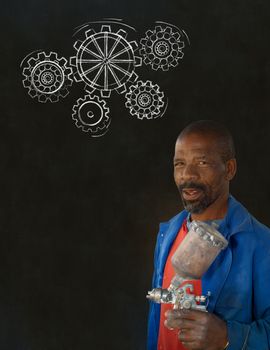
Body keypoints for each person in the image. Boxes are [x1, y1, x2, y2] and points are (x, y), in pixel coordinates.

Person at [147, 120, 270, 350]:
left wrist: (226, 337)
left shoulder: (262, 244)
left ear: (229, 169)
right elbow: (158, 325)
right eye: (179, 164)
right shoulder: (168, 234)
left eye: (202, 162)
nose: (187, 175)